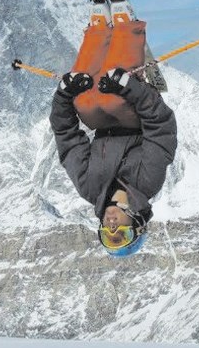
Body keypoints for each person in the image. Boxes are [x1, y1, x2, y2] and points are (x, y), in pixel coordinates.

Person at [49, 24, 178, 257]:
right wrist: (131, 88)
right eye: (122, 234)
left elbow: (66, 139)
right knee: (110, 100)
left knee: (84, 102)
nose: (112, 227)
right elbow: (161, 129)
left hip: (101, 123)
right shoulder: (148, 182)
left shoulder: (90, 188)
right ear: (136, 223)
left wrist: (65, 93)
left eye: (106, 234)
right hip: (139, 113)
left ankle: (97, 32)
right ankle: (127, 29)